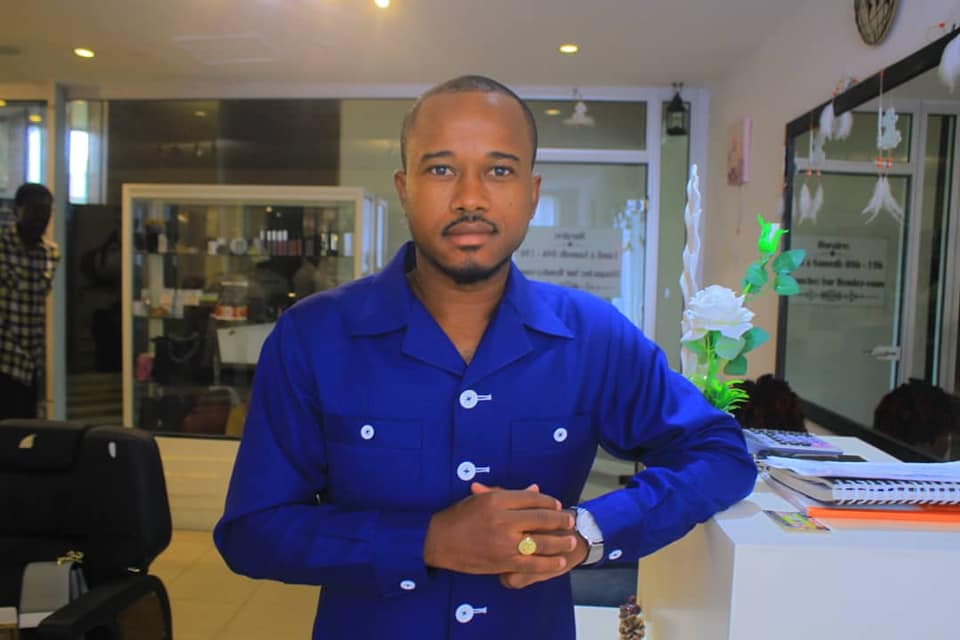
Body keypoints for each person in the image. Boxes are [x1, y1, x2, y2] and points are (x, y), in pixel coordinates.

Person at [214, 76, 757, 639]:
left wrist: (587, 532)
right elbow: (253, 531)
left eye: (499, 170)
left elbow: (720, 454)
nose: (470, 198)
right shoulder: (313, 336)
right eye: (440, 169)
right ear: (404, 188)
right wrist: (427, 541)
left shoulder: (592, 337)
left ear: (532, 192)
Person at [0, 183, 60, 420]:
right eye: (34, 211)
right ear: (17, 210)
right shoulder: (2, 247)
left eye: (46, 213)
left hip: (30, 363)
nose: (40, 220)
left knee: (25, 430)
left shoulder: (50, 254)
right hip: (4, 356)